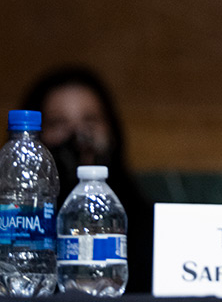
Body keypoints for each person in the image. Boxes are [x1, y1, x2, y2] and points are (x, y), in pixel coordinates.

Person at [19, 65, 154, 293]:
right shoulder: (14, 229)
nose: (77, 136)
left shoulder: (150, 232)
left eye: (90, 121)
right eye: (59, 124)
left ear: (112, 131)